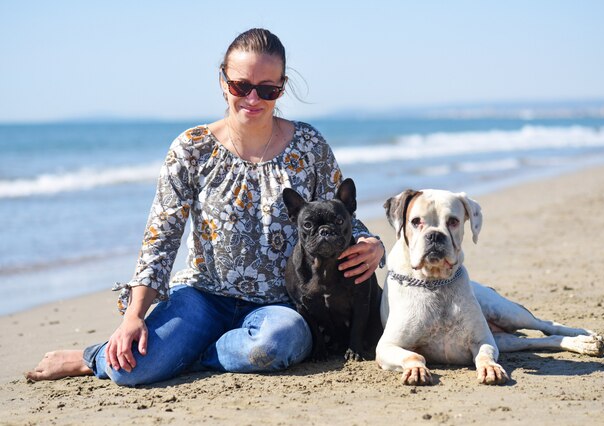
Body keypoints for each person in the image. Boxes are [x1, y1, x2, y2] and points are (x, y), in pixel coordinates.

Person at [26, 28, 385, 386]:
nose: (252, 98)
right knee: (126, 370)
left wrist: (374, 245)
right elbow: (160, 240)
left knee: (277, 344)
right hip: (202, 296)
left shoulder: (310, 145)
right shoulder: (191, 148)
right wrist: (133, 315)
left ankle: (192, 354)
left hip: (278, 306)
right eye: (240, 86)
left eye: (267, 89)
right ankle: (90, 356)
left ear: (282, 87)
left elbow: (338, 215)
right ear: (222, 80)